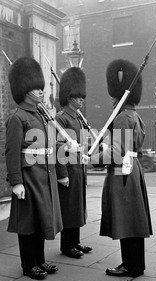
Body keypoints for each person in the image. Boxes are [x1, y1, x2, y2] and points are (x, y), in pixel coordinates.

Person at [84, 59, 152, 278]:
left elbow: (116, 152)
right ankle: (136, 265)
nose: (111, 99)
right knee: (133, 221)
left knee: (126, 221)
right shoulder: (135, 116)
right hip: (133, 170)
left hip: (122, 172)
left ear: (118, 94)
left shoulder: (122, 117)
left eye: (113, 95)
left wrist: (92, 160)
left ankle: (130, 265)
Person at [5, 57, 63, 280]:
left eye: (41, 88)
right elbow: (12, 153)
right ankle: (28, 265)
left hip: (43, 176)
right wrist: (16, 181)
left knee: (40, 222)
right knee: (27, 225)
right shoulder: (17, 118)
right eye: (36, 88)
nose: (41, 91)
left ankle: (39, 260)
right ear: (25, 90)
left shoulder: (40, 114)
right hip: (28, 177)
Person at [55, 67, 93, 258]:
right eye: (78, 96)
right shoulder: (62, 118)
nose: (81, 99)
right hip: (69, 170)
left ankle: (75, 241)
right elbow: (58, 148)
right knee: (69, 208)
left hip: (79, 168)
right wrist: (62, 174)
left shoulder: (78, 118)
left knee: (78, 206)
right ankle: (67, 245)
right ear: (70, 97)